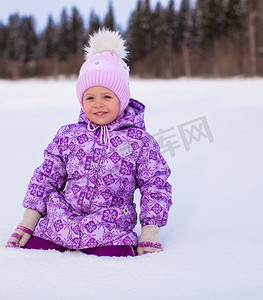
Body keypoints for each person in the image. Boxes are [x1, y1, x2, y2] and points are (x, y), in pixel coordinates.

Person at [6, 29, 172, 257]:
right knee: (34, 255)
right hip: (61, 225)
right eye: (90, 97)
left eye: (107, 96)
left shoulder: (140, 142)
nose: (98, 104)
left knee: (119, 257)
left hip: (111, 227)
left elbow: (155, 185)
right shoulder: (68, 136)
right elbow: (46, 177)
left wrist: (150, 230)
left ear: (122, 100)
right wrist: (29, 220)